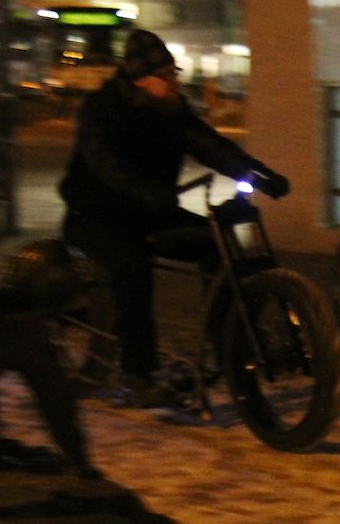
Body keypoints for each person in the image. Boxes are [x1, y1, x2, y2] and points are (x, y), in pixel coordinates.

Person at [58, 29, 289, 407]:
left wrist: (260, 173)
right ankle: (138, 375)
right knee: (133, 270)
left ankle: (231, 348)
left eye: (173, 72)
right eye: (166, 75)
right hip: (97, 215)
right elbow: (106, 164)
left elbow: (211, 146)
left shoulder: (172, 111)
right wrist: (145, 190)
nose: (174, 81)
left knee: (218, 246)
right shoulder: (101, 109)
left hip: (152, 210)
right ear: (140, 79)